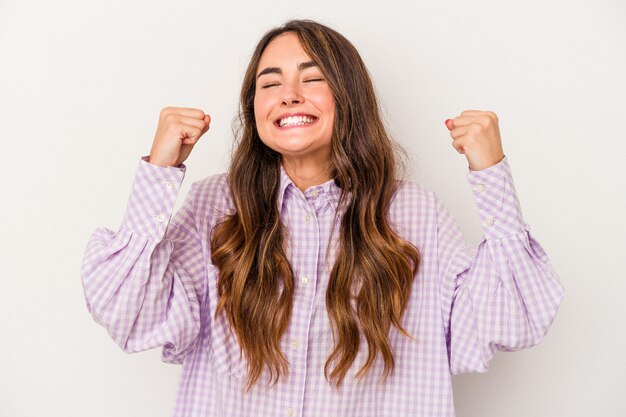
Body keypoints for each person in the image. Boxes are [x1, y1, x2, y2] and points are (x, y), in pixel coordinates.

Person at [80, 19, 564, 417]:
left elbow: (510, 320)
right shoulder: (216, 206)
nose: (289, 94)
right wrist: (159, 170)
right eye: (270, 83)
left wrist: (491, 174)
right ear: (255, 108)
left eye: (312, 78)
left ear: (348, 97)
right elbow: (130, 312)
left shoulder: (415, 213)